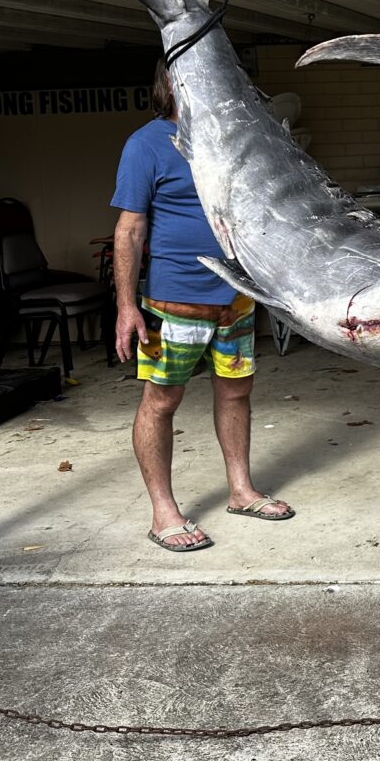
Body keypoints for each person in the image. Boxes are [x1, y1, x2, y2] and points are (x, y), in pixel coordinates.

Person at [112, 61, 294, 552]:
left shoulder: (229, 141)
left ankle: (241, 490)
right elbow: (129, 229)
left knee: (236, 393)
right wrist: (126, 306)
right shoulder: (145, 144)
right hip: (174, 302)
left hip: (235, 296)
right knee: (162, 400)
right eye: (185, 79)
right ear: (166, 87)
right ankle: (163, 513)